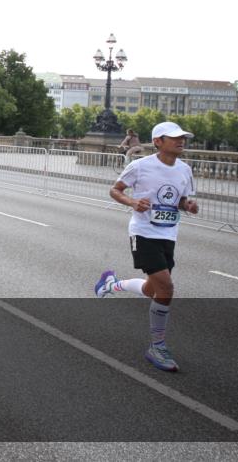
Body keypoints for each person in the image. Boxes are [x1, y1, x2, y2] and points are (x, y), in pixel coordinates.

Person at [95, 121, 199, 372]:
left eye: (182, 137)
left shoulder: (185, 169)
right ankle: (157, 346)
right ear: (157, 142)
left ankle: (110, 284)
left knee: (153, 290)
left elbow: (181, 199)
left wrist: (187, 206)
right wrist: (132, 202)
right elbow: (115, 190)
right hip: (143, 233)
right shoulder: (140, 166)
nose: (181, 141)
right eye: (174, 137)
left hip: (169, 234)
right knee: (166, 287)